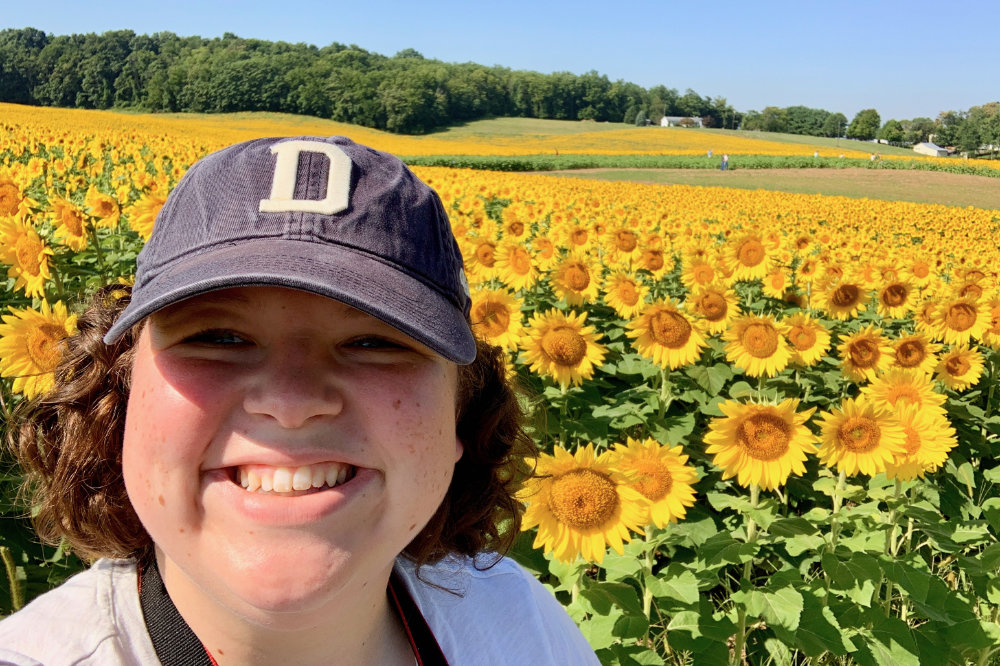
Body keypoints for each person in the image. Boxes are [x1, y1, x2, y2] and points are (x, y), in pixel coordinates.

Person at [0, 136, 599, 665]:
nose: (291, 402)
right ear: (122, 396)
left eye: (373, 342)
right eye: (218, 338)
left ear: (461, 413)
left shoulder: (519, 621)